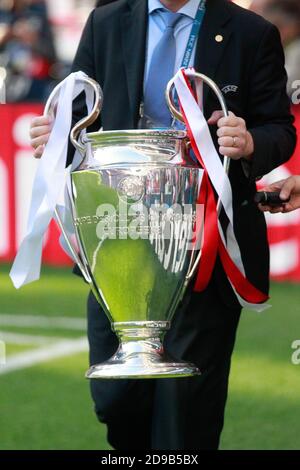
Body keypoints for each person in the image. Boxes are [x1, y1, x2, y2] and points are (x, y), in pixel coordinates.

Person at [29, 0, 296, 450]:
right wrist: (55, 131)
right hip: (118, 238)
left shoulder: (251, 31)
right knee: (115, 399)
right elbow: (79, 109)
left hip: (203, 238)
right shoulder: (108, 21)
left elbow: (279, 128)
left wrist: (250, 141)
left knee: (186, 415)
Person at [257, 0, 300, 99]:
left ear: (295, 26)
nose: (278, 33)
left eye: (280, 26)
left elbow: (285, 85)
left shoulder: (296, 50)